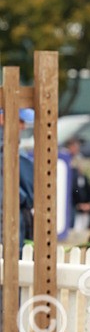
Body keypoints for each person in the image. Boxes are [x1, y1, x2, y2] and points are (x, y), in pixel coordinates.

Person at [0, 106, 35, 253]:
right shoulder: (9, 148)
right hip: (9, 216)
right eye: (20, 121)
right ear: (2, 119)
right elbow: (29, 186)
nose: (23, 126)